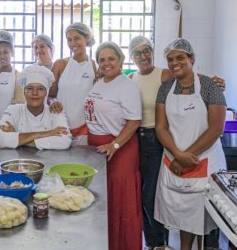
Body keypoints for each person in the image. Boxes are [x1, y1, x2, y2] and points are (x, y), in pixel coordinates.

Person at [128, 36, 225, 250]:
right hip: (173, 154)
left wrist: (186, 155)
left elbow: (216, 128)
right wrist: (177, 154)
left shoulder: (209, 86)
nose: (175, 63)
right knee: (182, 211)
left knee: (209, 209)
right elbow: (161, 127)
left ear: (191, 58)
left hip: (205, 157)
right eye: (171, 59)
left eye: (180, 57)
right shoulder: (166, 87)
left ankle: (211, 247)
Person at [85, 41, 143, 250]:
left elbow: (134, 121)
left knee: (120, 200)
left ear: (120, 60)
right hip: (98, 146)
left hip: (120, 147)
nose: (106, 63)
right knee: (103, 198)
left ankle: (122, 245)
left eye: (111, 59)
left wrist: (114, 145)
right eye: (102, 59)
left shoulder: (126, 86)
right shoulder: (100, 82)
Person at [0, 65, 71, 150]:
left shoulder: (55, 111)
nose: (35, 93)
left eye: (40, 88)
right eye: (30, 88)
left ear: (46, 93)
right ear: (24, 92)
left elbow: (64, 141)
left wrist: (19, 138)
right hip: (19, 162)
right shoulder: (13, 110)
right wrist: (44, 134)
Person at [49, 22, 98, 146]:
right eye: (69, 40)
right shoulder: (60, 64)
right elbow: (50, 95)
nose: (72, 44)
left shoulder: (93, 65)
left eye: (77, 38)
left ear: (86, 38)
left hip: (84, 127)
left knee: (80, 163)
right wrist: (53, 102)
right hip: (60, 125)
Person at [0, 30, 25, 129]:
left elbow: (19, 106)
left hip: (7, 128)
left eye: (5, 52)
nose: (2, 56)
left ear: (12, 53)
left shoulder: (19, 77)